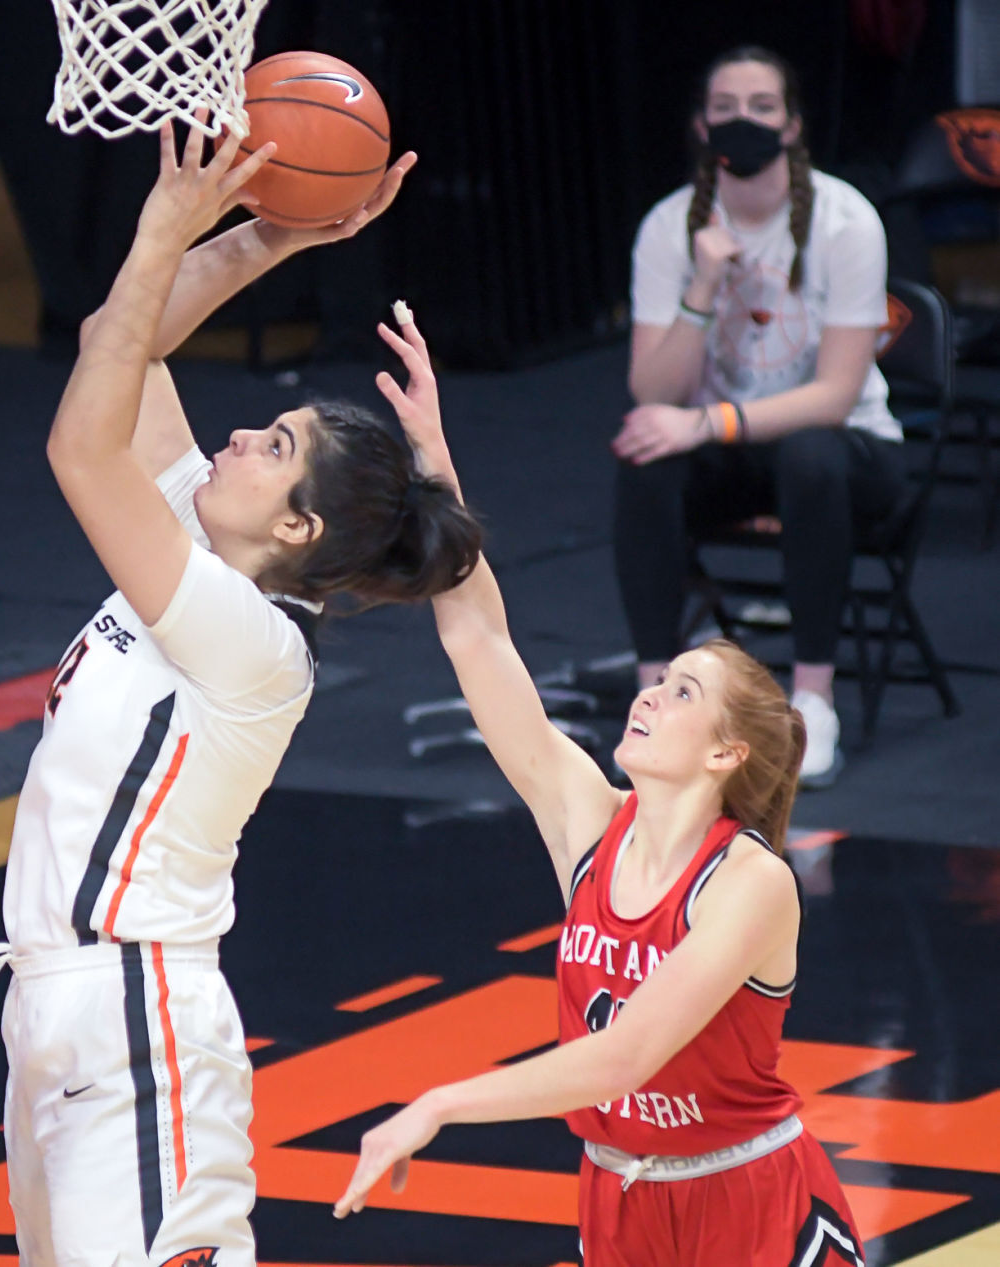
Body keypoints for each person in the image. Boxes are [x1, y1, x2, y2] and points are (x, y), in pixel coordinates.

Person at [0, 119, 482, 1267]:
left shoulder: (255, 641)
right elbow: (117, 344)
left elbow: (82, 445)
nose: (237, 437)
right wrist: (272, 234)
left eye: (271, 445)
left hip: (136, 1019)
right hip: (66, 1004)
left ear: (298, 528)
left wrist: (162, 229)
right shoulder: (200, 545)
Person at [332, 314, 864, 1266]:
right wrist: (433, 460)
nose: (651, 694)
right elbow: (480, 641)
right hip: (614, 1196)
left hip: (745, 1200)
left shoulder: (748, 882)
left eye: (683, 691)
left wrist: (438, 1102)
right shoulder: (586, 818)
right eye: (661, 679)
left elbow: (627, 1056)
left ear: (725, 756)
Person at [613, 45, 905, 788]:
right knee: (644, 452)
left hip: (850, 453)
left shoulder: (844, 221)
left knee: (810, 453)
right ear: (700, 127)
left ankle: (812, 697)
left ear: (793, 125)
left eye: (761, 108)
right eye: (725, 110)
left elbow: (836, 395)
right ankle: (655, 693)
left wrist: (707, 423)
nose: (742, 122)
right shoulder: (668, 227)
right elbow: (653, 389)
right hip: (738, 454)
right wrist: (702, 284)